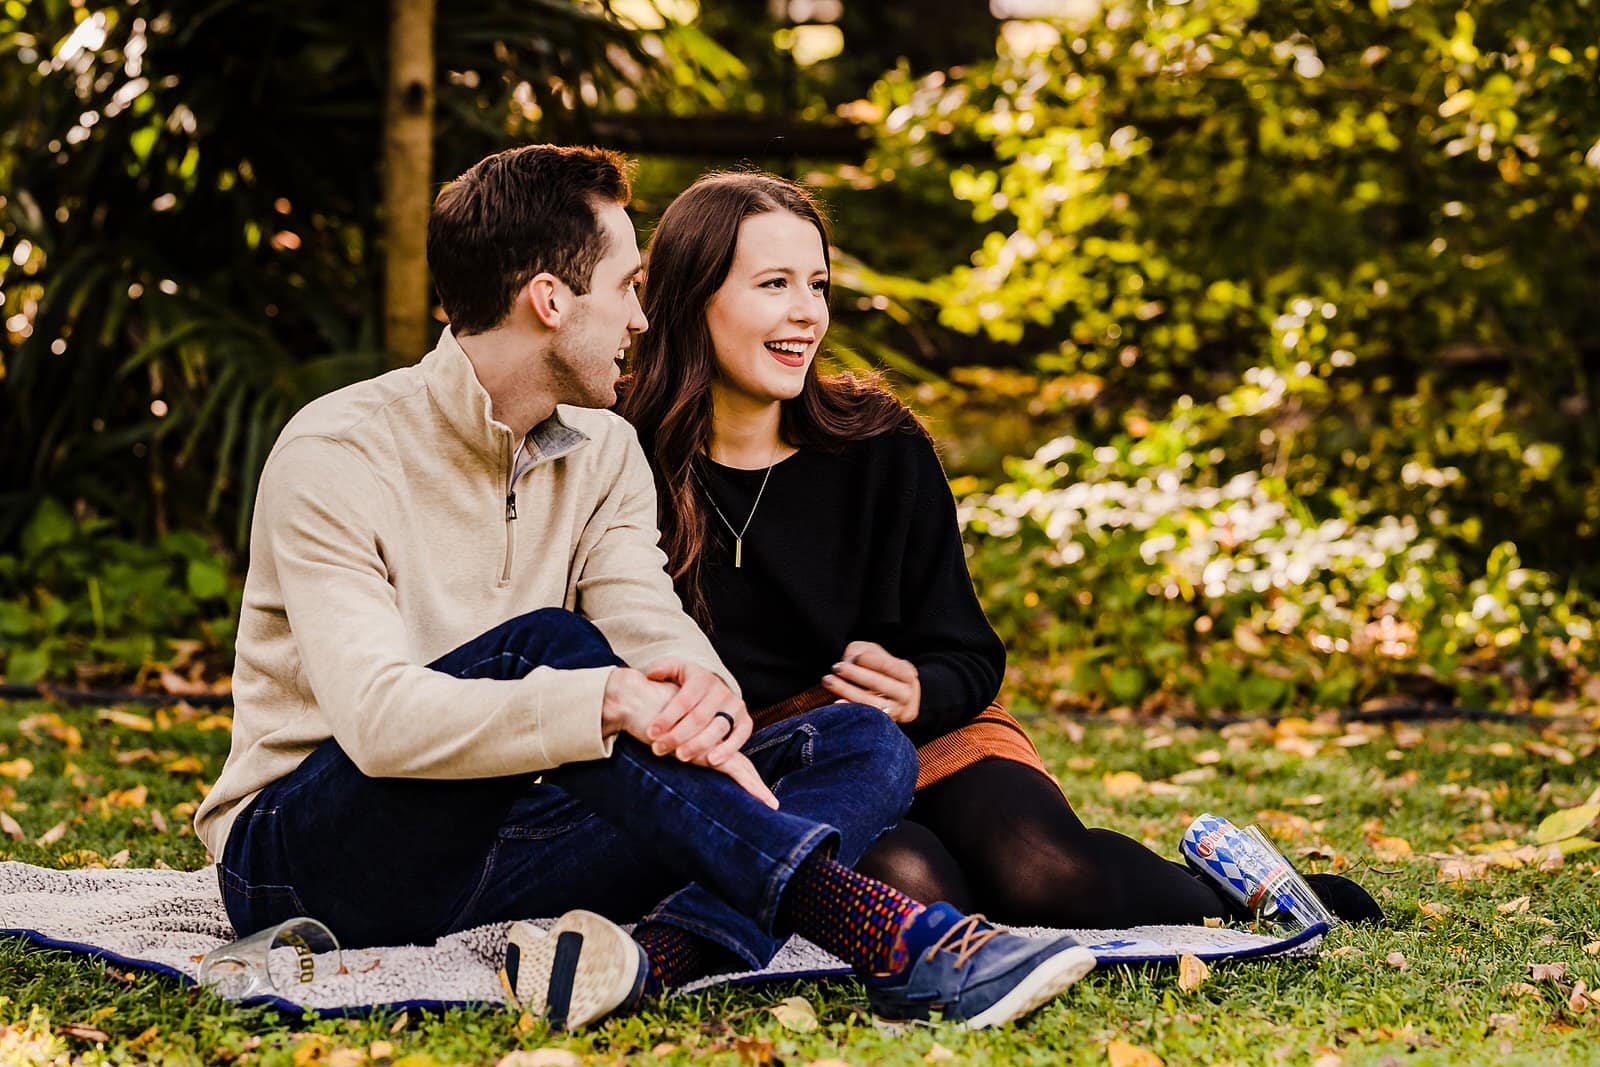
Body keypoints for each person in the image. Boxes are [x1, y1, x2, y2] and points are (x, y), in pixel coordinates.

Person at [194, 145, 1097, 1032]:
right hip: (305, 860)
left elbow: (646, 617)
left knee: (860, 738)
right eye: (627, 286)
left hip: (511, 835)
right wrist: (605, 698)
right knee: (542, 648)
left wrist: (704, 695)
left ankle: (660, 957)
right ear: (550, 300)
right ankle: (891, 935)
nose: (641, 315)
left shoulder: (604, 448)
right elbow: (379, 720)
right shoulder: (338, 451)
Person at [618, 170, 1383, 929]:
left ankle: (1224, 892)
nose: (806, 313)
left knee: (1047, 874)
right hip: (774, 762)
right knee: (917, 887)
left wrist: (918, 688)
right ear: (693, 294)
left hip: (926, 734)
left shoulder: (879, 444)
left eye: (816, 285)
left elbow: (968, 652)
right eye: (773, 284)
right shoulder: (618, 454)